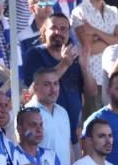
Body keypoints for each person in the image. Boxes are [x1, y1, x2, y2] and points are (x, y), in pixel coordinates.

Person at [22, 13, 96, 142]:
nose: (58, 32)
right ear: (44, 31)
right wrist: (65, 63)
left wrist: (85, 68)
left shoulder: (75, 57)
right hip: (44, 131)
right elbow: (32, 89)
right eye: (53, 28)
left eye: (63, 29)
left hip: (72, 133)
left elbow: (92, 92)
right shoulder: (35, 54)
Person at [71, 0, 118, 106]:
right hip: (93, 78)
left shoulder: (115, 12)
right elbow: (89, 48)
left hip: (114, 78)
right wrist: (112, 39)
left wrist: (95, 32)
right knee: (93, 124)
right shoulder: (79, 12)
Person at [25, 68, 72, 165]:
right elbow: (25, 149)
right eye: (47, 85)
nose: (53, 89)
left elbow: (68, 146)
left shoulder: (62, 112)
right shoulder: (28, 113)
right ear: (36, 88)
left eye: (56, 84)